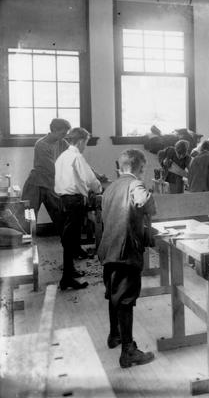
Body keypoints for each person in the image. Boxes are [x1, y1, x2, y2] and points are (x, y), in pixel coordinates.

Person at [97, 149, 156, 368]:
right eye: (144, 168)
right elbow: (144, 202)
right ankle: (128, 351)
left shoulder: (110, 187)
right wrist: (152, 205)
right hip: (126, 251)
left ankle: (115, 335)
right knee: (126, 299)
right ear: (140, 167)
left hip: (108, 250)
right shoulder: (135, 184)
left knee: (114, 294)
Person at [54, 127, 102, 290]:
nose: (85, 146)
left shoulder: (62, 156)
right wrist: (99, 189)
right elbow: (90, 179)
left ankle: (70, 271)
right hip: (74, 201)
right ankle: (66, 278)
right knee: (70, 238)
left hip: (63, 200)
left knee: (70, 238)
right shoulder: (76, 156)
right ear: (80, 141)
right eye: (86, 143)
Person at [21, 118, 70, 235]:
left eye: (66, 134)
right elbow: (53, 169)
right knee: (28, 220)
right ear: (53, 130)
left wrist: (96, 174)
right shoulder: (41, 145)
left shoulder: (62, 143)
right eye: (63, 133)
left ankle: (72, 249)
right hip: (35, 185)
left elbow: (76, 159)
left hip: (50, 184)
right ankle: (26, 251)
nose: (65, 136)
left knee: (62, 219)